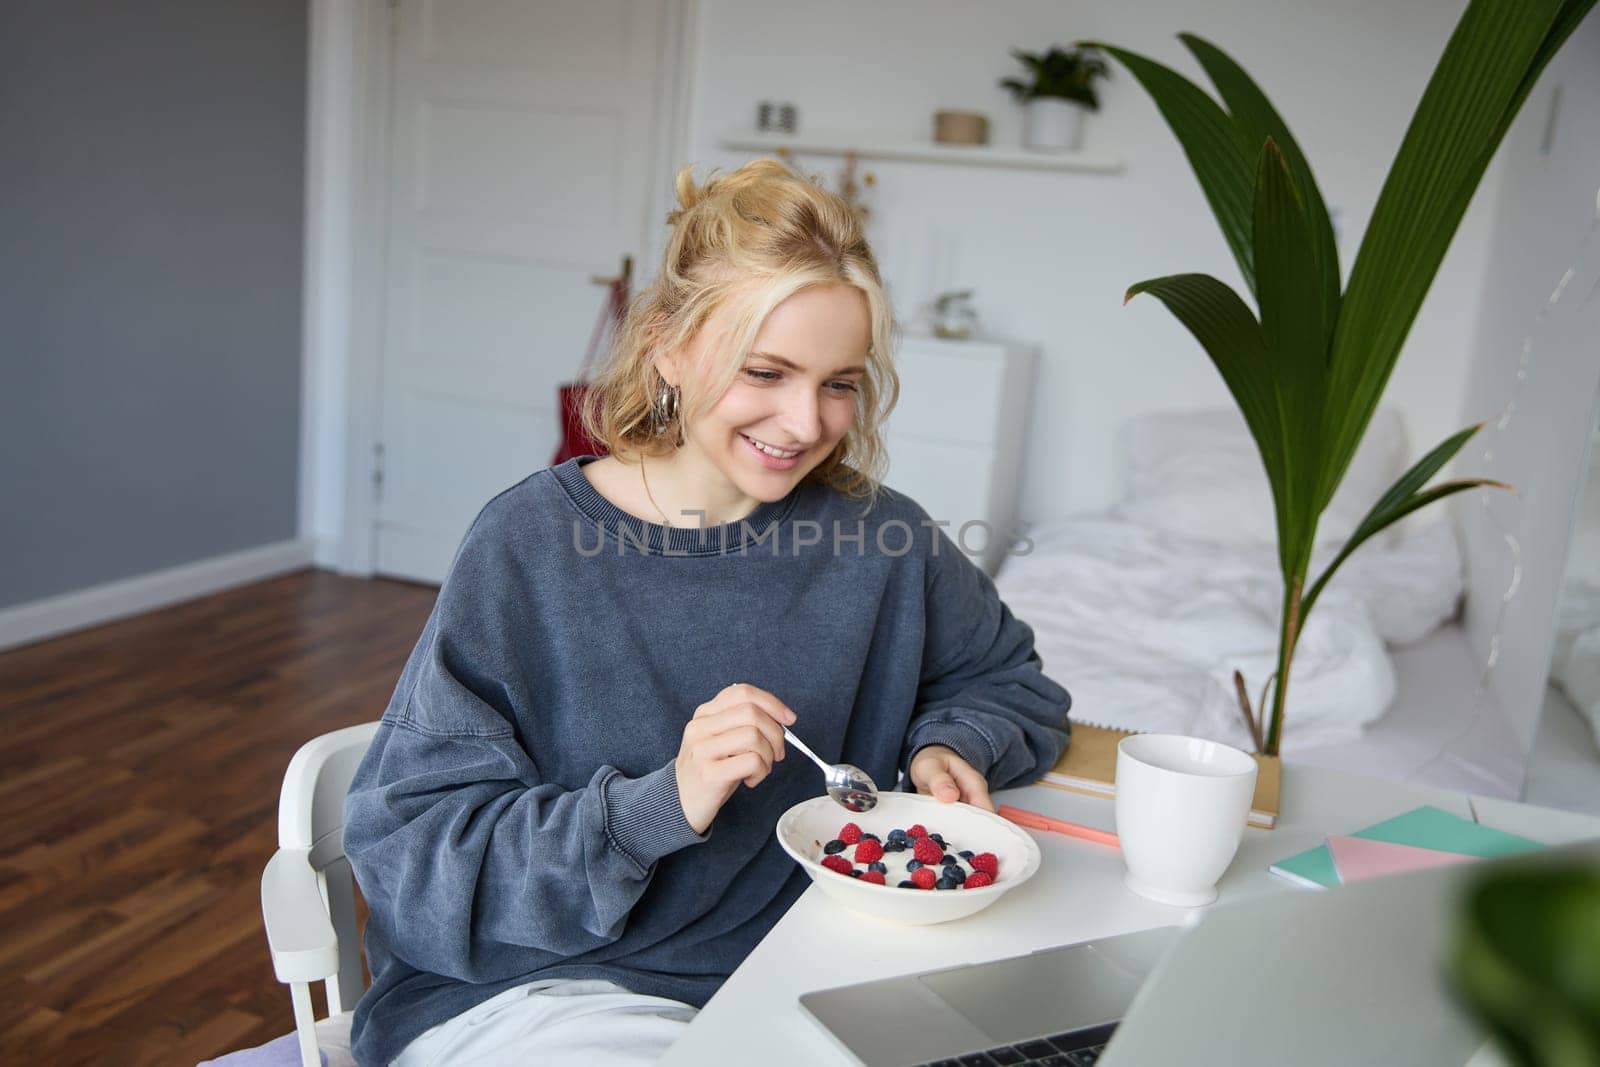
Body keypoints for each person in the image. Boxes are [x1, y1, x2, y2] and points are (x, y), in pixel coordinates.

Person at [342, 158, 1073, 1066]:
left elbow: (1010, 681)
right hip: (552, 992)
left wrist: (952, 741)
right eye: (765, 371)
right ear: (667, 345)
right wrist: (661, 804)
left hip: (802, 977)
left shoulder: (882, 540)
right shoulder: (529, 544)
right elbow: (418, 865)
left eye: (839, 383)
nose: (805, 422)